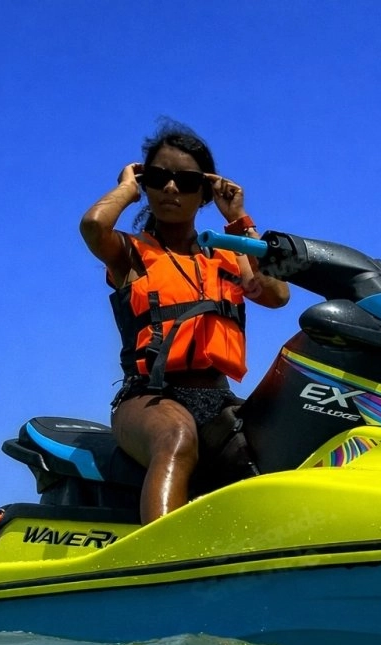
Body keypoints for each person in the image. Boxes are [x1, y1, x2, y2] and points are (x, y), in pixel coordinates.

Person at [80, 121, 289, 523]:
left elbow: (277, 295)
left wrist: (240, 220)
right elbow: (93, 226)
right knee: (175, 437)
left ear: (205, 192)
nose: (172, 189)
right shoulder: (131, 252)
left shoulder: (228, 255)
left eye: (187, 181)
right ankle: (159, 560)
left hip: (217, 398)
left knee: (280, 444)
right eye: (159, 178)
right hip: (150, 397)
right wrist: (127, 188)